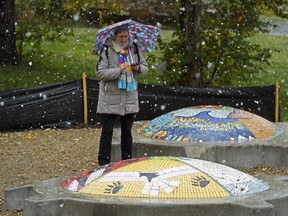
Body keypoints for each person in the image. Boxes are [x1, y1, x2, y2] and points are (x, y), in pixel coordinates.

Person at [96, 26, 148, 166]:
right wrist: (119, 70)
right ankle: (103, 163)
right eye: (121, 37)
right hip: (110, 97)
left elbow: (145, 69)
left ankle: (126, 162)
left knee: (127, 132)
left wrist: (137, 68)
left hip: (129, 96)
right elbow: (100, 74)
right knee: (107, 133)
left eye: (126, 36)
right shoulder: (107, 50)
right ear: (115, 37)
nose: (124, 39)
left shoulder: (134, 49)